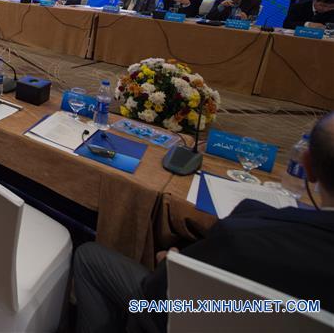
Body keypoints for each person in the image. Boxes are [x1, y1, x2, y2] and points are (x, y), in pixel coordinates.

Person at [72, 112, 334, 333]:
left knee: (89, 255)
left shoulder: (247, 230)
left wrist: (173, 264)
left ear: (307, 166)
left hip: (176, 313)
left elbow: (162, 292)